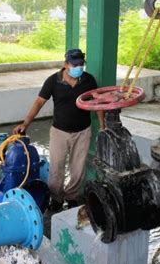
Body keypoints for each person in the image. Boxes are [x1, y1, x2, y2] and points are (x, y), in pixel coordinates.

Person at [13, 49, 105, 210]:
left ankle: (72, 197)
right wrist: (25, 124)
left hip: (82, 131)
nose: (78, 67)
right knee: (56, 167)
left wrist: (102, 125)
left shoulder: (89, 80)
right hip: (59, 132)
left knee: (78, 168)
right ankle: (56, 198)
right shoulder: (53, 81)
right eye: (74, 64)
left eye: (81, 64)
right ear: (66, 64)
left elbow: (97, 104)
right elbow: (39, 103)